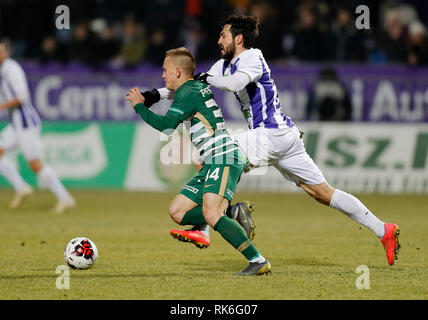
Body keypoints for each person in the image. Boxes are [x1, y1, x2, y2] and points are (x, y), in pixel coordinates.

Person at [145, 15, 400, 266]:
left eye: (223, 35)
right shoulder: (221, 66)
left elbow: (235, 84)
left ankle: (208, 224)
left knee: (215, 157)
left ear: (239, 38)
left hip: (269, 134)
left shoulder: (253, 57)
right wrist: (152, 96)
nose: (219, 40)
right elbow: (189, 88)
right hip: (281, 137)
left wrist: (208, 78)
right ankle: (383, 229)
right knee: (322, 193)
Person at [125, 47, 270, 276]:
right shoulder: (193, 88)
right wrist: (151, 95)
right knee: (178, 212)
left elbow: (167, 126)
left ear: (178, 72)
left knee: (212, 214)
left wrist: (139, 106)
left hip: (223, 157)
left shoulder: (188, 92)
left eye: (165, 70)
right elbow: (169, 94)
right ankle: (233, 212)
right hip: (212, 160)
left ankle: (257, 260)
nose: (163, 75)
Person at [0, 40, 75, 213]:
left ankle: (65, 198)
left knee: (35, 164)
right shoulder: (2, 70)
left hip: (25, 123)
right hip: (15, 123)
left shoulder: (12, 70)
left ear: (7, 53)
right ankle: (21, 188)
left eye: (1, 51)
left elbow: (22, 97)